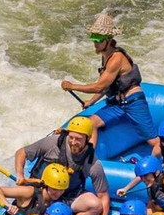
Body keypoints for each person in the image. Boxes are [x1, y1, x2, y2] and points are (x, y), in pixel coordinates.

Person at [60, 13, 158, 149]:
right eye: (93, 39)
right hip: (117, 104)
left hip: (133, 102)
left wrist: (73, 86)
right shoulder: (105, 56)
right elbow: (107, 87)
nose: (95, 43)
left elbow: (99, 87)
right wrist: (91, 102)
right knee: (91, 123)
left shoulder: (116, 58)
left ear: (108, 40)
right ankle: (89, 156)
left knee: (153, 141)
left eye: (99, 40)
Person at [14, 116, 110, 215]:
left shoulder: (92, 162)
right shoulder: (53, 143)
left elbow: (103, 197)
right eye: (71, 137)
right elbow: (21, 153)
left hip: (67, 195)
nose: (73, 142)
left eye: (78, 139)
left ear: (87, 139)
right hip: (42, 191)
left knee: (95, 205)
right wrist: (20, 174)